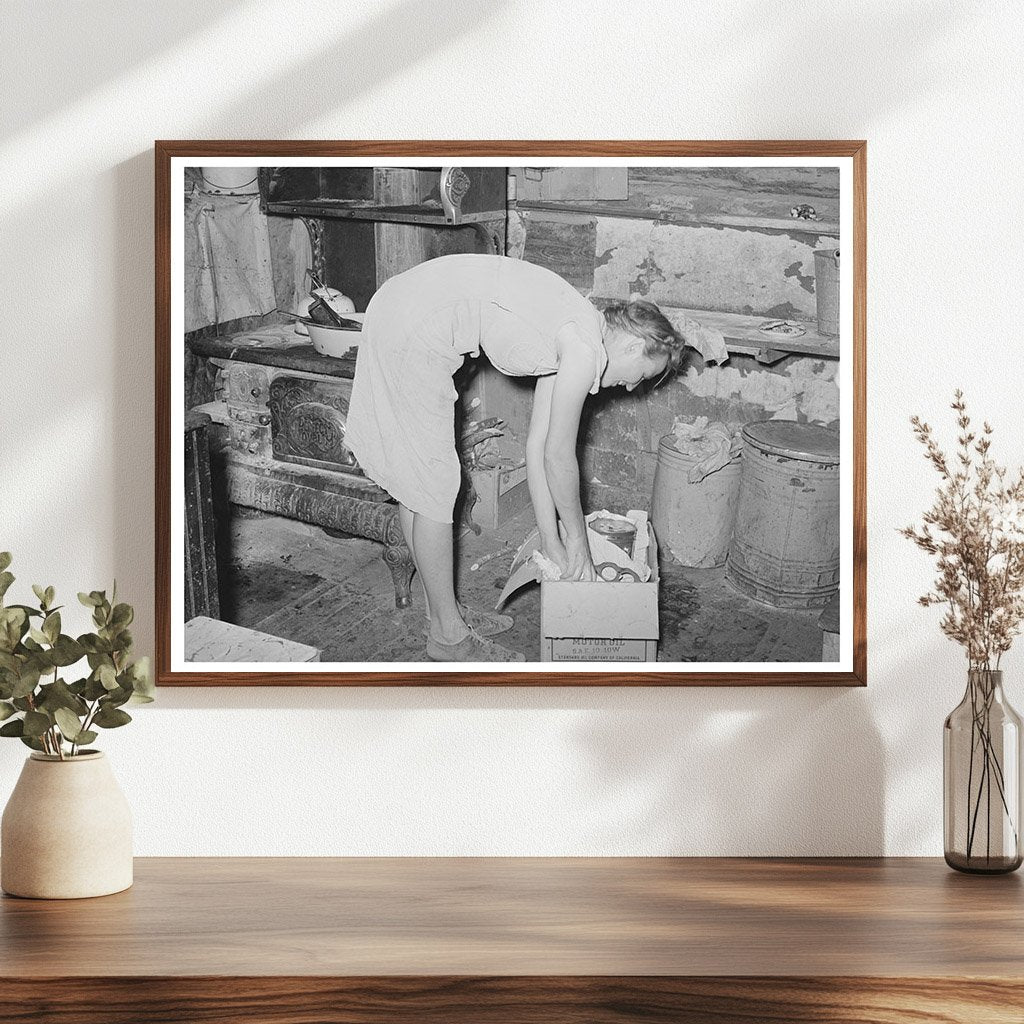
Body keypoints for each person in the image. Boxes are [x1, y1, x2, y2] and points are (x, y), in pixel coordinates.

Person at [344, 254, 685, 662]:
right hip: (413, 327)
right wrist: (578, 544)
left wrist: (551, 540)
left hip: (401, 306)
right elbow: (560, 458)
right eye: (643, 374)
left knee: (421, 487)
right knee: (435, 486)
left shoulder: (578, 328)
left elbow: (538, 448)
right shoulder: (582, 349)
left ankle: (444, 611)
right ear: (632, 344)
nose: (633, 388)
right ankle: (448, 636)